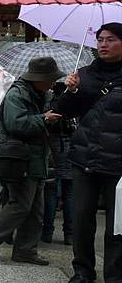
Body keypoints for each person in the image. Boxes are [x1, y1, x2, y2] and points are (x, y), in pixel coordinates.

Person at [0, 57, 64, 267]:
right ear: (39, 79)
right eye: (50, 79)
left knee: (35, 209)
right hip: (20, 159)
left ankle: (26, 250)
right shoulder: (18, 93)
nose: (52, 84)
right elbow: (15, 124)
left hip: (35, 159)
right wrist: (43, 119)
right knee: (20, 205)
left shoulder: (40, 94)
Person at [54, 22, 122, 283]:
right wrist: (71, 91)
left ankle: (115, 275)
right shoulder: (84, 74)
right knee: (82, 219)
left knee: (117, 226)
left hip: (118, 164)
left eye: (111, 39)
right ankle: (82, 270)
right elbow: (64, 112)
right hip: (85, 159)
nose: (103, 44)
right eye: (100, 39)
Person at [41, 82, 75, 246]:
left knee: (51, 191)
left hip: (52, 148)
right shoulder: (75, 99)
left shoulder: (50, 100)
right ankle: (69, 234)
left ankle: (47, 232)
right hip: (72, 147)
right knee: (70, 194)